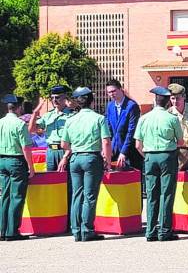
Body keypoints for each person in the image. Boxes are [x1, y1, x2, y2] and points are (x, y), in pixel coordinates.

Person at [61, 87, 112, 242]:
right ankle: (87, 230)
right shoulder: (99, 118)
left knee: (77, 194)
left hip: (75, 158)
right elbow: (106, 141)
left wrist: (75, 148)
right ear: (92, 101)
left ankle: (76, 230)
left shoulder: (70, 120)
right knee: (90, 196)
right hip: (91, 158)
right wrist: (107, 160)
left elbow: (64, 144)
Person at [134, 86, 184, 242]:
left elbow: (137, 145)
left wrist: (147, 155)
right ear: (168, 101)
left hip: (149, 156)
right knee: (166, 194)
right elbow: (180, 141)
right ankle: (164, 230)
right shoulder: (172, 118)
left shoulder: (144, 118)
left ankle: (150, 231)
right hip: (167, 155)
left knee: (151, 194)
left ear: (154, 100)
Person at [0, 94, 35, 241]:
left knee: (4, 196)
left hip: (2, 160)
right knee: (17, 196)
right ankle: (12, 231)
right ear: (19, 107)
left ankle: (2, 230)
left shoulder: (0, 122)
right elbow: (26, 147)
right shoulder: (20, 124)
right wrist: (31, 167)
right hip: (17, 161)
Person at [29, 86, 74, 171]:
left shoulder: (71, 115)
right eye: (52, 98)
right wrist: (35, 113)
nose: (54, 100)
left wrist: (66, 155)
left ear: (65, 98)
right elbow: (31, 130)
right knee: (51, 180)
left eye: (57, 97)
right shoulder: (48, 115)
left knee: (67, 180)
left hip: (65, 151)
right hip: (50, 151)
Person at [105, 80, 142, 173]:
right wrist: (107, 149)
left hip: (129, 151)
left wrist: (124, 152)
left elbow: (131, 131)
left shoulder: (132, 106)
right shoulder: (110, 106)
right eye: (109, 92)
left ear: (121, 90)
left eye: (114, 91)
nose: (111, 94)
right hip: (114, 150)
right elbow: (108, 129)